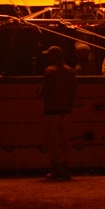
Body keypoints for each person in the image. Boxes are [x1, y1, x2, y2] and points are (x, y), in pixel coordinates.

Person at [38, 45, 77, 181]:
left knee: (52, 140)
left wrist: (38, 92)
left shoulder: (50, 71)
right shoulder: (70, 71)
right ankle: (67, 167)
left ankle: (57, 167)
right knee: (65, 140)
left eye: (49, 55)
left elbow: (44, 91)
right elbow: (74, 91)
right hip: (66, 110)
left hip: (52, 110)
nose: (47, 58)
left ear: (53, 56)